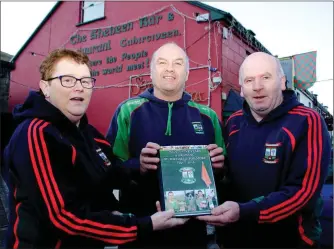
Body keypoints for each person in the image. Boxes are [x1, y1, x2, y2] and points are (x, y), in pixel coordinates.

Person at [3, 48, 187, 249]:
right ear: (45, 87)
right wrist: (144, 225)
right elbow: (63, 219)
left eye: (85, 81)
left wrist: (141, 167)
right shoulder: (36, 134)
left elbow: (114, 172)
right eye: (67, 80)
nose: (79, 87)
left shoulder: (88, 133)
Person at [197, 52, 331, 248]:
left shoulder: (307, 120)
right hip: (235, 239)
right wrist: (216, 170)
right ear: (242, 89)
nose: (257, 86)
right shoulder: (233, 122)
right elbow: (229, 177)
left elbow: (303, 193)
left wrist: (245, 212)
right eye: (249, 80)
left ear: (282, 82)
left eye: (265, 77)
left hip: (288, 240)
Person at [106, 42, 225, 248]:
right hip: (141, 232)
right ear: (151, 72)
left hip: (192, 234)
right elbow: (109, 168)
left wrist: (220, 167)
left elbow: (225, 172)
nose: (170, 68)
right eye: (162, 63)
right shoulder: (128, 111)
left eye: (178, 63)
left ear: (187, 73)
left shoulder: (208, 117)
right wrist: (138, 167)